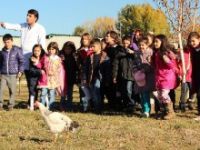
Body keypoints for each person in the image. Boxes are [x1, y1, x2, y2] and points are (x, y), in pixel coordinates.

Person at [152, 34, 178, 120]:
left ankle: (171, 112)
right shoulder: (156, 53)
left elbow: (172, 64)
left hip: (167, 77)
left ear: (162, 42)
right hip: (159, 76)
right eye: (154, 41)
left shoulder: (167, 52)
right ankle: (164, 111)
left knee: (164, 94)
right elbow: (156, 65)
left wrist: (167, 60)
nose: (155, 43)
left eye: (157, 42)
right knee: (159, 95)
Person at [0, 34, 24, 110]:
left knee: (12, 91)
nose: (7, 44)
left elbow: (22, 61)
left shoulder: (17, 50)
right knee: (0, 90)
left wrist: (20, 71)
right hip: (3, 74)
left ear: (12, 41)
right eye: (5, 42)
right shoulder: (2, 52)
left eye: (8, 42)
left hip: (13, 74)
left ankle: (10, 105)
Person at [132, 37, 154, 118]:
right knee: (141, 93)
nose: (141, 46)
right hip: (139, 76)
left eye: (143, 45)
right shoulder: (137, 53)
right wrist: (135, 70)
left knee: (146, 93)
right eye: (139, 45)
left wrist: (145, 69)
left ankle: (147, 110)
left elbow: (152, 64)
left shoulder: (151, 52)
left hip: (148, 76)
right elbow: (134, 63)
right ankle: (145, 109)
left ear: (147, 45)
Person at [112, 35, 135, 112]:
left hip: (131, 75)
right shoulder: (119, 52)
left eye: (127, 43)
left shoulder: (134, 52)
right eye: (124, 43)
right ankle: (126, 105)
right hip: (122, 75)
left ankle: (132, 104)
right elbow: (116, 65)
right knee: (124, 91)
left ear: (130, 43)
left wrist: (134, 53)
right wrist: (114, 76)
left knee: (129, 90)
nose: (125, 45)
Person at [77, 33, 93, 112]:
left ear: (89, 40)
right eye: (83, 39)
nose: (84, 40)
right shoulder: (79, 51)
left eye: (86, 39)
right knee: (83, 90)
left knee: (91, 90)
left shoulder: (92, 50)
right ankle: (84, 106)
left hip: (91, 73)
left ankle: (91, 105)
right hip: (82, 74)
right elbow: (78, 63)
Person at [60, 41, 77, 111]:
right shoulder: (61, 56)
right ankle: (62, 106)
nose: (67, 50)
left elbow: (75, 68)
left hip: (71, 78)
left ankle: (69, 106)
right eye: (66, 49)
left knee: (70, 94)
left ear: (72, 49)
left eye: (69, 49)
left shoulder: (74, 57)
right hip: (62, 78)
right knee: (63, 93)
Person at [27, 44, 45, 110]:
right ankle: (31, 105)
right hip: (33, 78)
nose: (36, 52)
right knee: (32, 92)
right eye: (35, 50)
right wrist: (40, 72)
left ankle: (39, 104)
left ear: (41, 51)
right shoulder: (31, 59)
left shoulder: (44, 58)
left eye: (38, 50)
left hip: (42, 79)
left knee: (42, 92)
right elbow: (31, 70)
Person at [88, 38, 103, 113]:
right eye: (91, 46)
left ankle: (98, 109)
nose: (91, 48)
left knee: (97, 92)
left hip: (99, 77)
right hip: (92, 77)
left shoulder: (103, 55)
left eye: (93, 46)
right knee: (93, 93)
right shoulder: (91, 56)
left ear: (99, 46)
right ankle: (95, 107)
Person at [187, 32, 200, 118]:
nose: (192, 43)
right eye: (190, 41)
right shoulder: (192, 49)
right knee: (197, 93)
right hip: (196, 74)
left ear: (199, 39)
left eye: (193, 41)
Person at [46, 42, 62, 110]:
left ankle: (51, 106)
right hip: (46, 78)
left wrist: (54, 73)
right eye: (49, 49)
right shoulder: (46, 57)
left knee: (52, 92)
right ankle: (46, 105)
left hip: (54, 78)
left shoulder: (58, 59)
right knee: (45, 92)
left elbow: (59, 68)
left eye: (52, 49)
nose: (50, 50)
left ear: (56, 50)